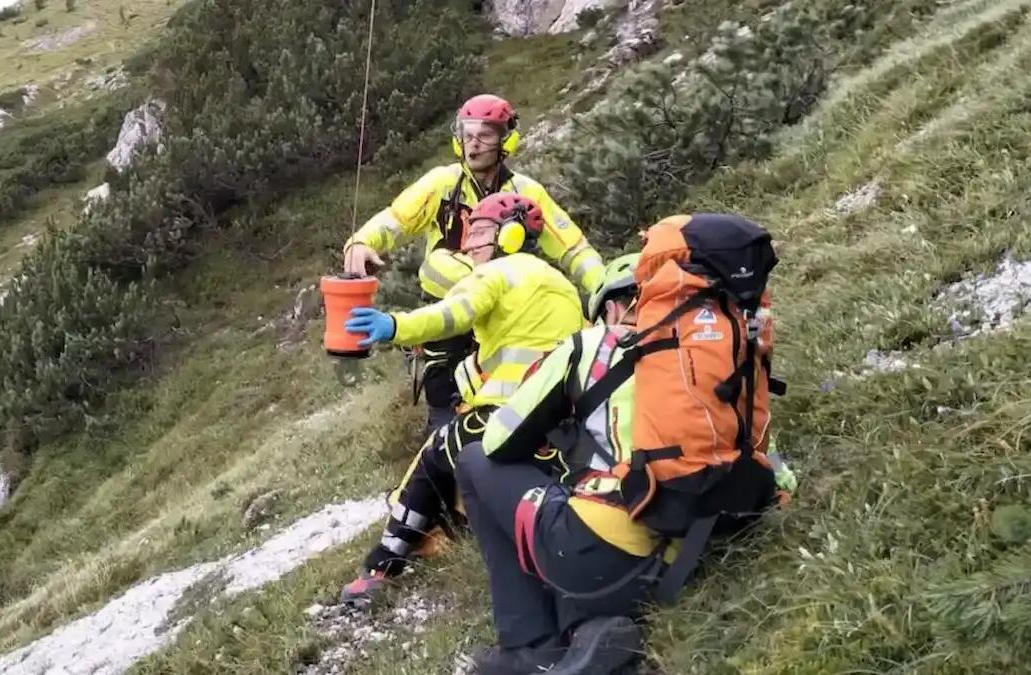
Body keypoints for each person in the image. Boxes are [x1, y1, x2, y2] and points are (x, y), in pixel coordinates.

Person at [456, 214, 798, 675]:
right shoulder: (721, 346)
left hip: (600, 554)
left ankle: (528, 645)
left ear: (615, 306)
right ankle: (588, 627)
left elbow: (499, 441)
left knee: (475, 461)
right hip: (690, 549)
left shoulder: (591, 345)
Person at [339, 192, 589, 605]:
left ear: (510, 235)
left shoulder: (498, 272)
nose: (468, 243)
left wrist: (394, 326)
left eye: (480, 232)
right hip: (562, 426)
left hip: (507, 414)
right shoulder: (560, 284)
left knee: (436, 453)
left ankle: (381, 567)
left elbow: (452, 314)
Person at [343, 94, 605, 435]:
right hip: (449, 302)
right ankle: (443, 426)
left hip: (509, 307)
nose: (474, 144)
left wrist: (606, 291)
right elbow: (396, 219)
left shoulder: (526, 192)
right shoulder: (442, 183)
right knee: (443, 391)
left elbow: (573, 248)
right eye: (467, 134)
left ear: (506, 140)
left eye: (485, 135)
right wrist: (362, 242)